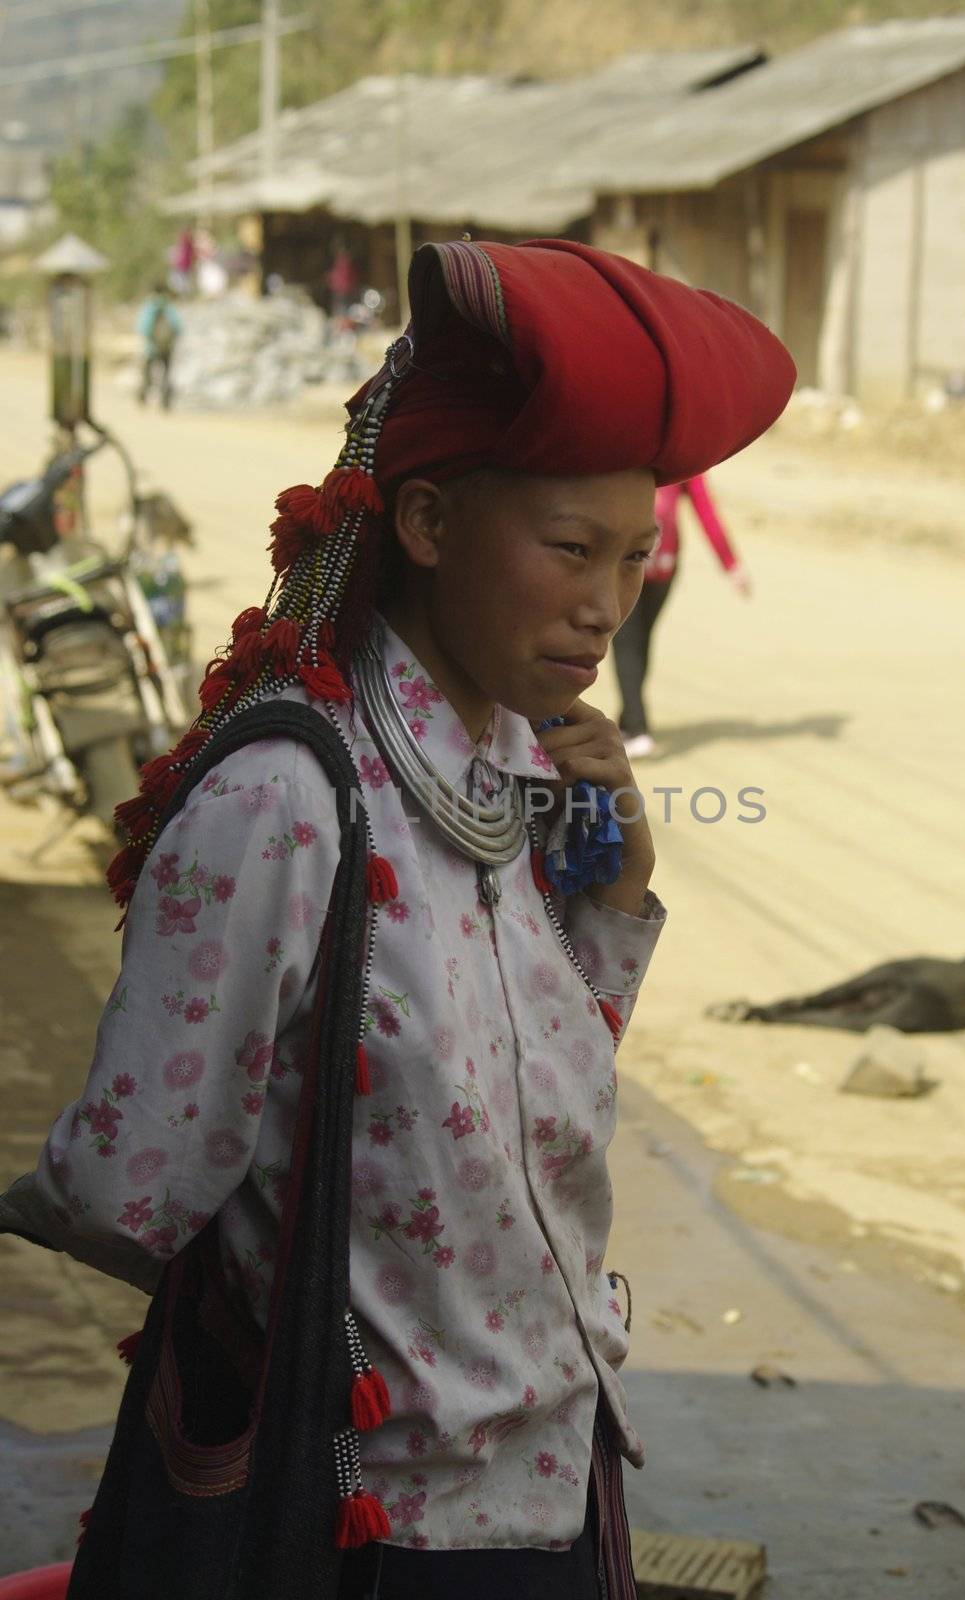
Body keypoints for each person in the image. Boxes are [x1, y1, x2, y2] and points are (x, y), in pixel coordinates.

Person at [0, 239, 794, 1597]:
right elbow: (134, 1189)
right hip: (371, 1529)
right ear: (424, 525)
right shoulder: (281, 802)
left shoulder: (519, 766)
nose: (604, 607)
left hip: (554, 1476)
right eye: (567, 551)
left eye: (633, 560)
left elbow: (536, 1095)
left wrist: (612, 889)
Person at [613, 474, 750, 759]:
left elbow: (704, 508)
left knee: (629, 642)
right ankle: (629, 721)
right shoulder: (683, 452)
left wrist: (731, 563)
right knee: (636, 641)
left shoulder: (629, 450)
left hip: (636, 566)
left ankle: (637, 729)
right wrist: (731, 565)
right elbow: (705, 510)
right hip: (659, 564)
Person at [136, 283, 182, 410]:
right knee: (166, 375)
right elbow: (178, 327)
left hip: (150, 347)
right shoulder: (169, 307)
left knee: (146, 374)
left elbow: (143, 327)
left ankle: (143, 397)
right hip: (166, 347)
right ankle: (165, 401)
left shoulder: (149, 306)